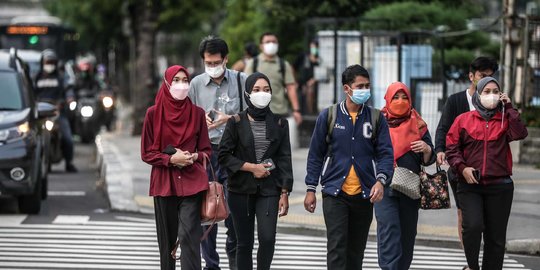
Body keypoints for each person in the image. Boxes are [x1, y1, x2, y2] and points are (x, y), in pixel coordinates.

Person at [303, 64, 394, 269]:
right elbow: (315, 155)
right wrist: (310, 189)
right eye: (360, 86)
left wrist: (381, 180)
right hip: (335, 193)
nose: (365, 90)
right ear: (347, 89)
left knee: (356, 251)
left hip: (364, 194)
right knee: (336, 248)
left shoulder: (376, 118)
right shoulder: (329, 116)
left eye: (367, 86)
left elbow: (386, 154)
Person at [446, 77, 528, 270]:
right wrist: (462, 168)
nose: (491, 95)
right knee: (472, 227)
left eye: (495, 91)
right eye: (486, 91)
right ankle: (473, 266)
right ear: (478, 94)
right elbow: (452, 148)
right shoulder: (463, 120)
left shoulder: (505, 119)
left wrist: (509, 107)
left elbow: (520, 133)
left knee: (496, 238)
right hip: (470, 185)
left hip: (500, 186)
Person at [218, 72, 293, 270]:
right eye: (257, 90)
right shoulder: (235, 122)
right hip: (240, 189)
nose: (263, 94)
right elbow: (224, 156)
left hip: (269, 189)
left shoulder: (279, 123)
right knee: (244, 243)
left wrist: (284, 192)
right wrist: (252, 168)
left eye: (267, 90)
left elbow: (284, 158)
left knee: (267, 239)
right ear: (247, 94)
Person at [141, 65, 211, 270]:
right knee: (167, 242)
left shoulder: (197, 114)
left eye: (185, 80)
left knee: (190, 236)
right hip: (164, 184)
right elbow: (146, 153)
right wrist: (171, 160)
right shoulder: (153, 115)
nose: (181, 85)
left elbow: (207, 150)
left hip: (192, 184)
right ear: (166, 84)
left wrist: (194, 156)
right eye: (176, 80)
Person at [188, 35, 245, 270]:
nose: (213, 67)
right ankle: (211, 264)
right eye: (208, 63)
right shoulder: (195, 85)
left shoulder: (242, 81)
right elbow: (187, 120)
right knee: (207, 212)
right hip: (207, 153)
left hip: (234, 152)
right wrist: (199, 122)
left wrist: (227, 119)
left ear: (226, 59)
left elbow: (254, 115)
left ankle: (234, 260)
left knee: (234, 213)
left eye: (216, 62)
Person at [435, 57, 498, 246]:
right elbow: (443, 128)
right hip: (459, 166)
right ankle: (469, 257)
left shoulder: (496, 102)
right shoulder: (456, 101)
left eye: (490, 76)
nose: (486, 80)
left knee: (486, 216)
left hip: (489, 169)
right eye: (481, 76)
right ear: (471, 76)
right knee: (464, 212)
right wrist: (440, 150)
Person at [375, 82, 435, 270]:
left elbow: (429, 157)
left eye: (404, 97)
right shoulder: (378, 121)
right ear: (387, 99)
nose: (400, 101)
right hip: (383, 187)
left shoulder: (418, 123)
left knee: (408, 235)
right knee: (388, 231)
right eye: (395, 97)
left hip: (410, 187)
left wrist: (426, 149)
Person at [244, 32, 302, 125]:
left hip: (280, 112)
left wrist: (296, 110)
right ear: (261, 46)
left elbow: (291, 87)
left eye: (274, 42)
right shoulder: (253, 63)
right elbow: (245, 88)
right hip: (257, 113)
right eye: (267, 42)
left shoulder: (284, 65)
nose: (271, 44)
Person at [34, 49, 77, 172]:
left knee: (68, 138)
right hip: (41, 115)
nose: (50, 65)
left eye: (52, 62)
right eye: (47, 62)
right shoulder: (36, 78)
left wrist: (69, 99)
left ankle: (69, 163)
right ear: (42, 63)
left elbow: (68, 90)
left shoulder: (61, 78)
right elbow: (30, 93)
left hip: (58, 114)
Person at [294, 39, 320, 114]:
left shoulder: (320, 59)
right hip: (301, 82)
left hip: (312, 82)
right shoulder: (303, 56)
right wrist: (294, 81)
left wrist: (313, 80)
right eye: (313, 47)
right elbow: (293, 67)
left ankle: (310, 113)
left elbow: (321, 73)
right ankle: (298, 111)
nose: (314, 49)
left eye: (316, 47)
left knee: (310, 90)